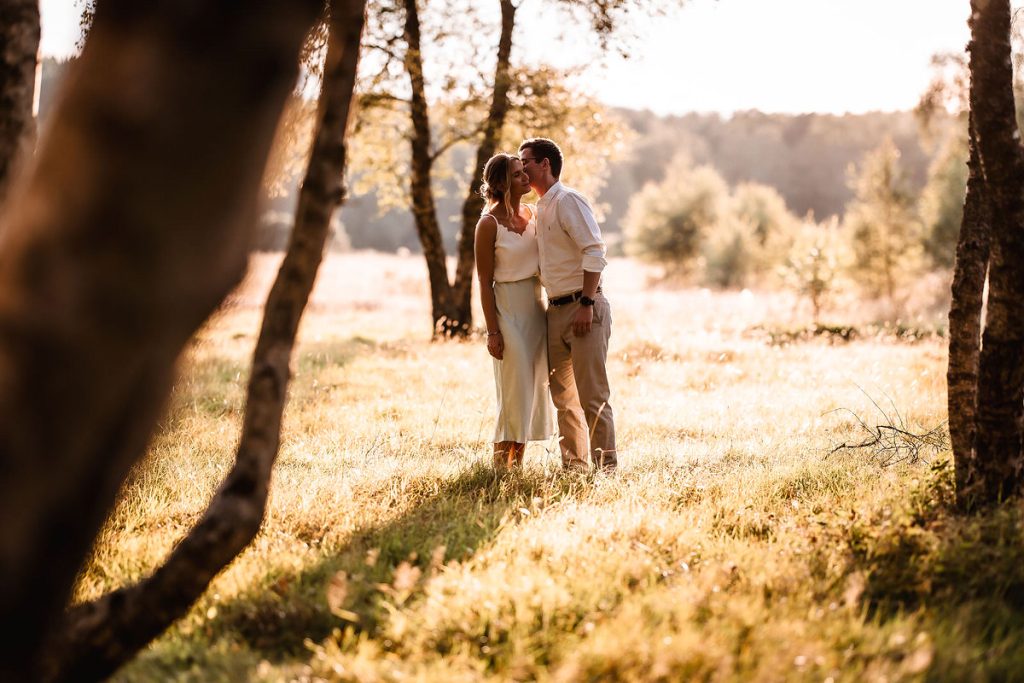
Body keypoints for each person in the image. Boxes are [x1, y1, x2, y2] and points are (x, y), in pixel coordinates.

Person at [518, 137, 616, 471]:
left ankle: (607, 471)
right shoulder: (540, 207)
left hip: (583, 305)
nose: (521, 167)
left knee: (593, 397)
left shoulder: (568, 200)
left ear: (545, 164)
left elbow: (594, 251)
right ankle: (575, 469)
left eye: (526, 161)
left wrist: (587, 303)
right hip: (555, 311)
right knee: (564, 399)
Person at [474, 153, 554, 469]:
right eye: (518, 174)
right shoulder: (488, 224)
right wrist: (493, 331)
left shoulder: (533, 214)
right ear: (502, 182)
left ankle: (515, 469)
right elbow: (483, 282)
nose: (526, 178)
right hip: (506, 311)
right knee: (513, 392)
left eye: (525, 172)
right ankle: (498, 470)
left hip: (535, 309)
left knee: (531, 391)